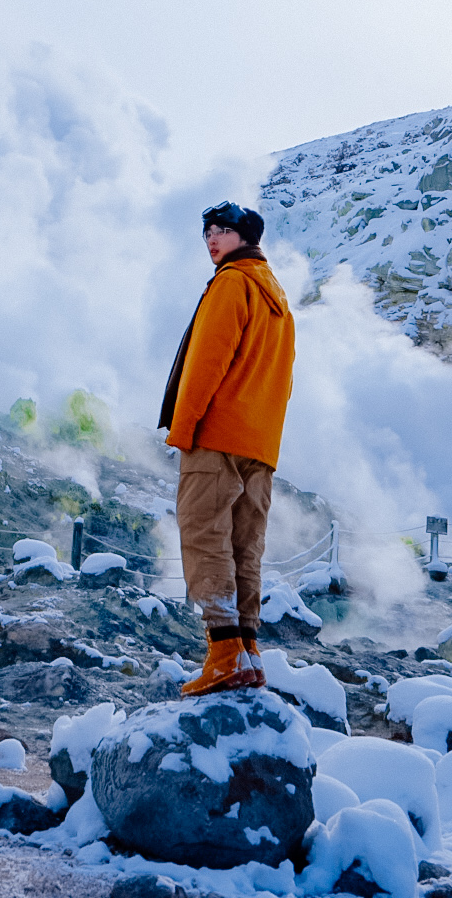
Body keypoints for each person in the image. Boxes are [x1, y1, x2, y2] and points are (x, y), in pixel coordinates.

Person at [158, 201, 295, 694]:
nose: (212, 239)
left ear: (245, 236)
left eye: (222, 230)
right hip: (259, 443)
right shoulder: (276, 296)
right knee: (244, 546)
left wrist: (183, 426)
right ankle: (248, 654)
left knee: (203, 534)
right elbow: (284, 380)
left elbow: (205, 361)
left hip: (217, 434)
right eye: (207, 232)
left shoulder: (231, 282)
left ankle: (221, 654)